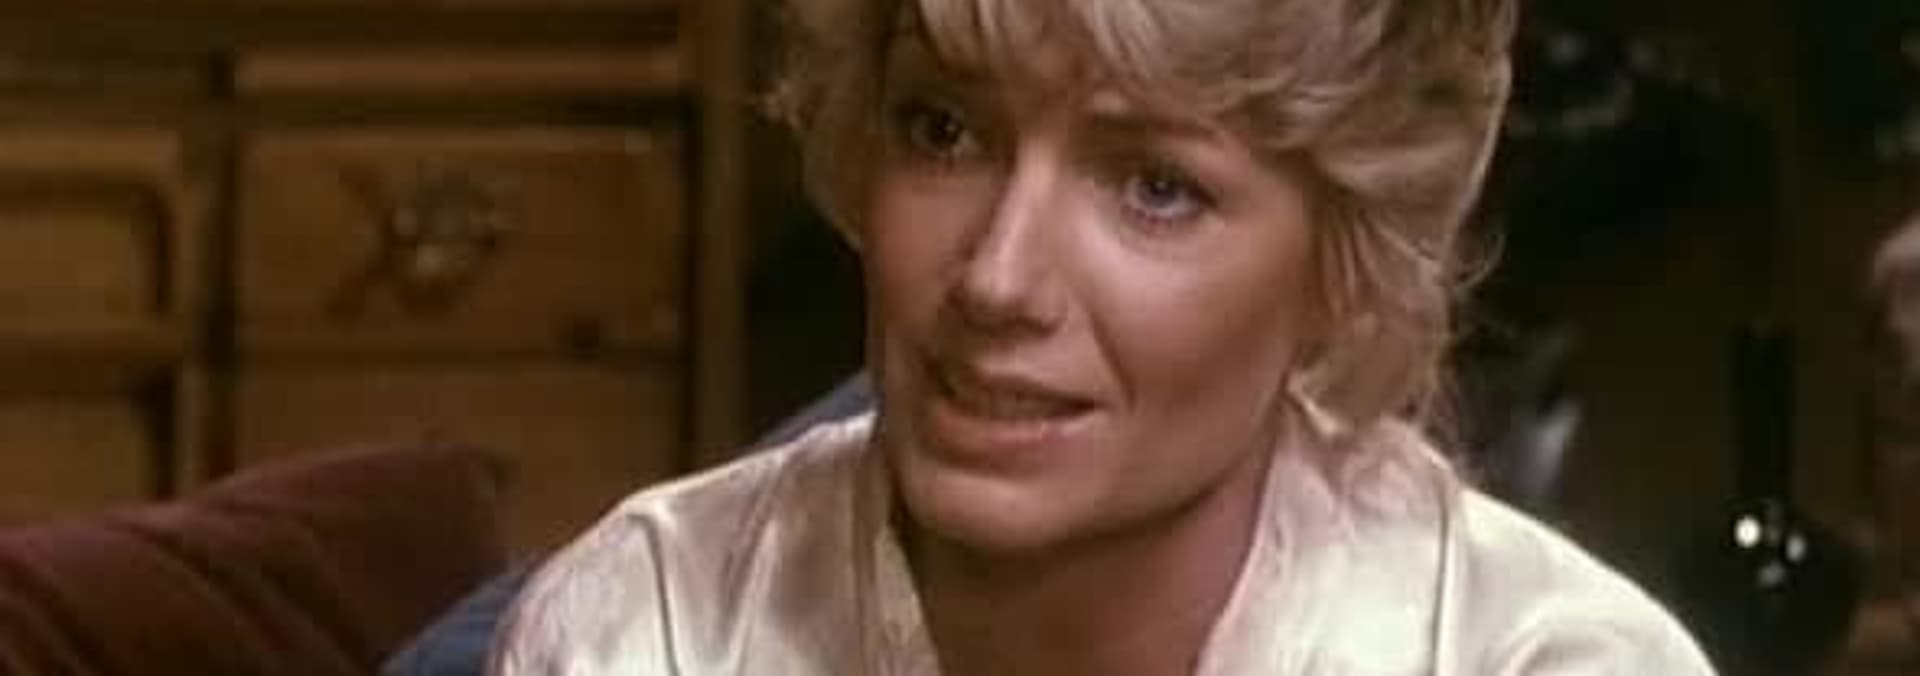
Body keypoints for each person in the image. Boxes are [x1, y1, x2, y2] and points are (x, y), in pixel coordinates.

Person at [490, 0, 1714, 673]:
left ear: (1343, 258)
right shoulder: (647, 634)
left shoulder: (1542, 661)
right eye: (942, 130)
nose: (999, 278)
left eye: (1155, 187)